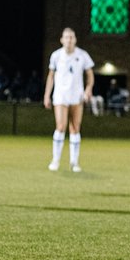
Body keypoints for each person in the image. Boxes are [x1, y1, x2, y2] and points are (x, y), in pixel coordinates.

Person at [43, 27, 95, 173]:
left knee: (75, 128)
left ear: (75, 39)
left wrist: (88, 89)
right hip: (60, 96)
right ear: (62, 40)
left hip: (76, 96)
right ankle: (55, 160)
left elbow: (90, 75)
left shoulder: (82, 55)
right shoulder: (56, 55)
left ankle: (74, 162)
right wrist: (47, 95)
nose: (69, 40)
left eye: (71, 37)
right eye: (66, 37)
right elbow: (51, 76)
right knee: (60, 126)